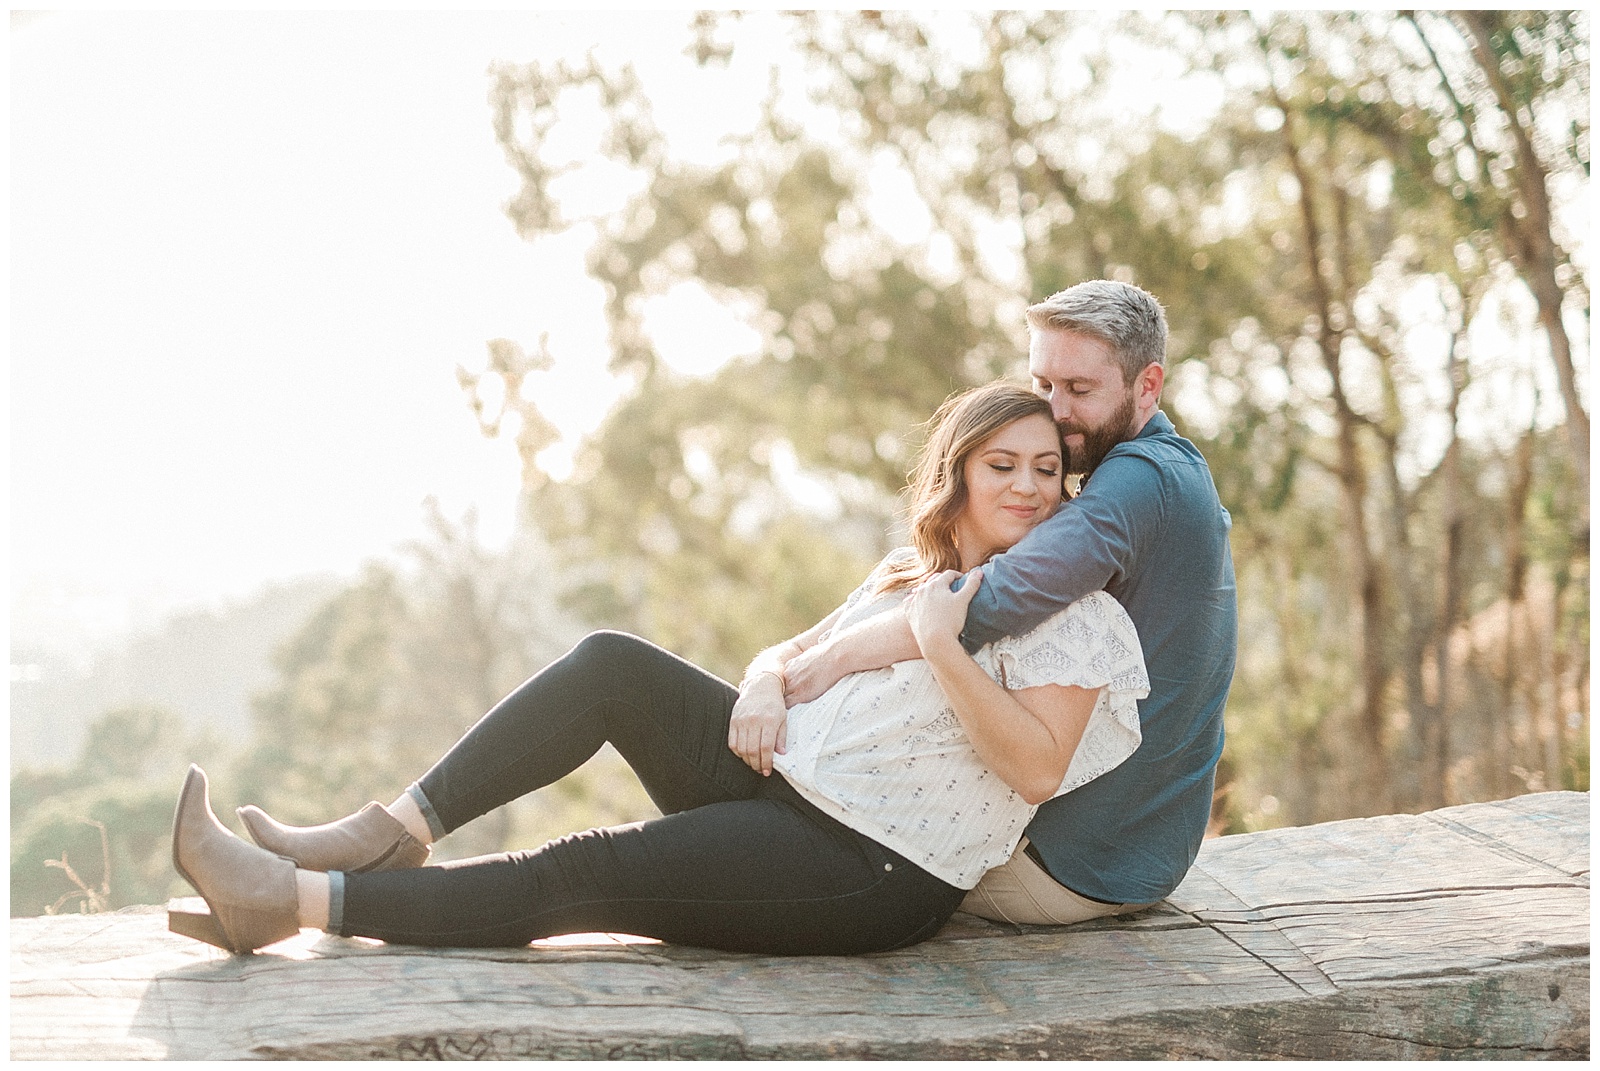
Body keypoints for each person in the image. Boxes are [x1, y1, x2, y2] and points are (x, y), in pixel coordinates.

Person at [169, 382, 1150, 957]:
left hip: (870, 866)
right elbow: (791, 653)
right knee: (611, 664)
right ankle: (389, 832)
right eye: (1001, 465)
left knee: (585, 868)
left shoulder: (1074, 617)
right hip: (782, 780)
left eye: (1044, 470)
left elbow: (1033, 768)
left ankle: (286, 905)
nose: (1027, 486)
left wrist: (942, 647)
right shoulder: (913, 572)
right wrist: (764, 684)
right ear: (959, 475)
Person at [774, 280, 1237, 927]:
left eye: (1079, 390)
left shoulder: (1142, 476)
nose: (1055, 408)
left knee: (800, 833)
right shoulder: (1172, 472)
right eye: (1043, 384)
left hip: (1068, 861)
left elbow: (996, 601)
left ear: (1147, 386)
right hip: (1135, 854)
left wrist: (833, 658)